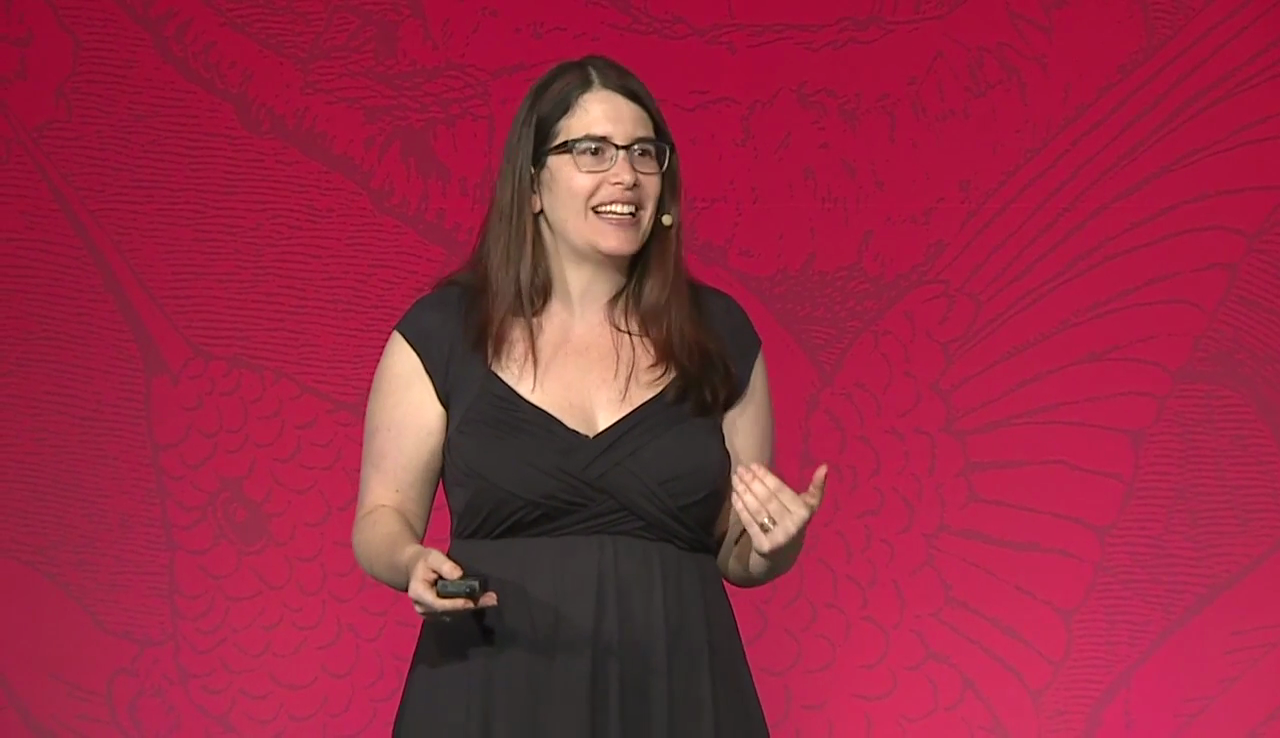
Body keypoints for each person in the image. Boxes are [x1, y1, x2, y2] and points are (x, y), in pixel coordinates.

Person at [353, 54, 829, 737]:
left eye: (643, 152)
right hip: (487, 695)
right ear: (533, 184)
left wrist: (774, 547)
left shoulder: (720, 336)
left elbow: (735, 551)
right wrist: (409, 562)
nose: (625, 174)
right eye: (592, 151)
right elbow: (381, 517)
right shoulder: (441, 333)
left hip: (679, 694)